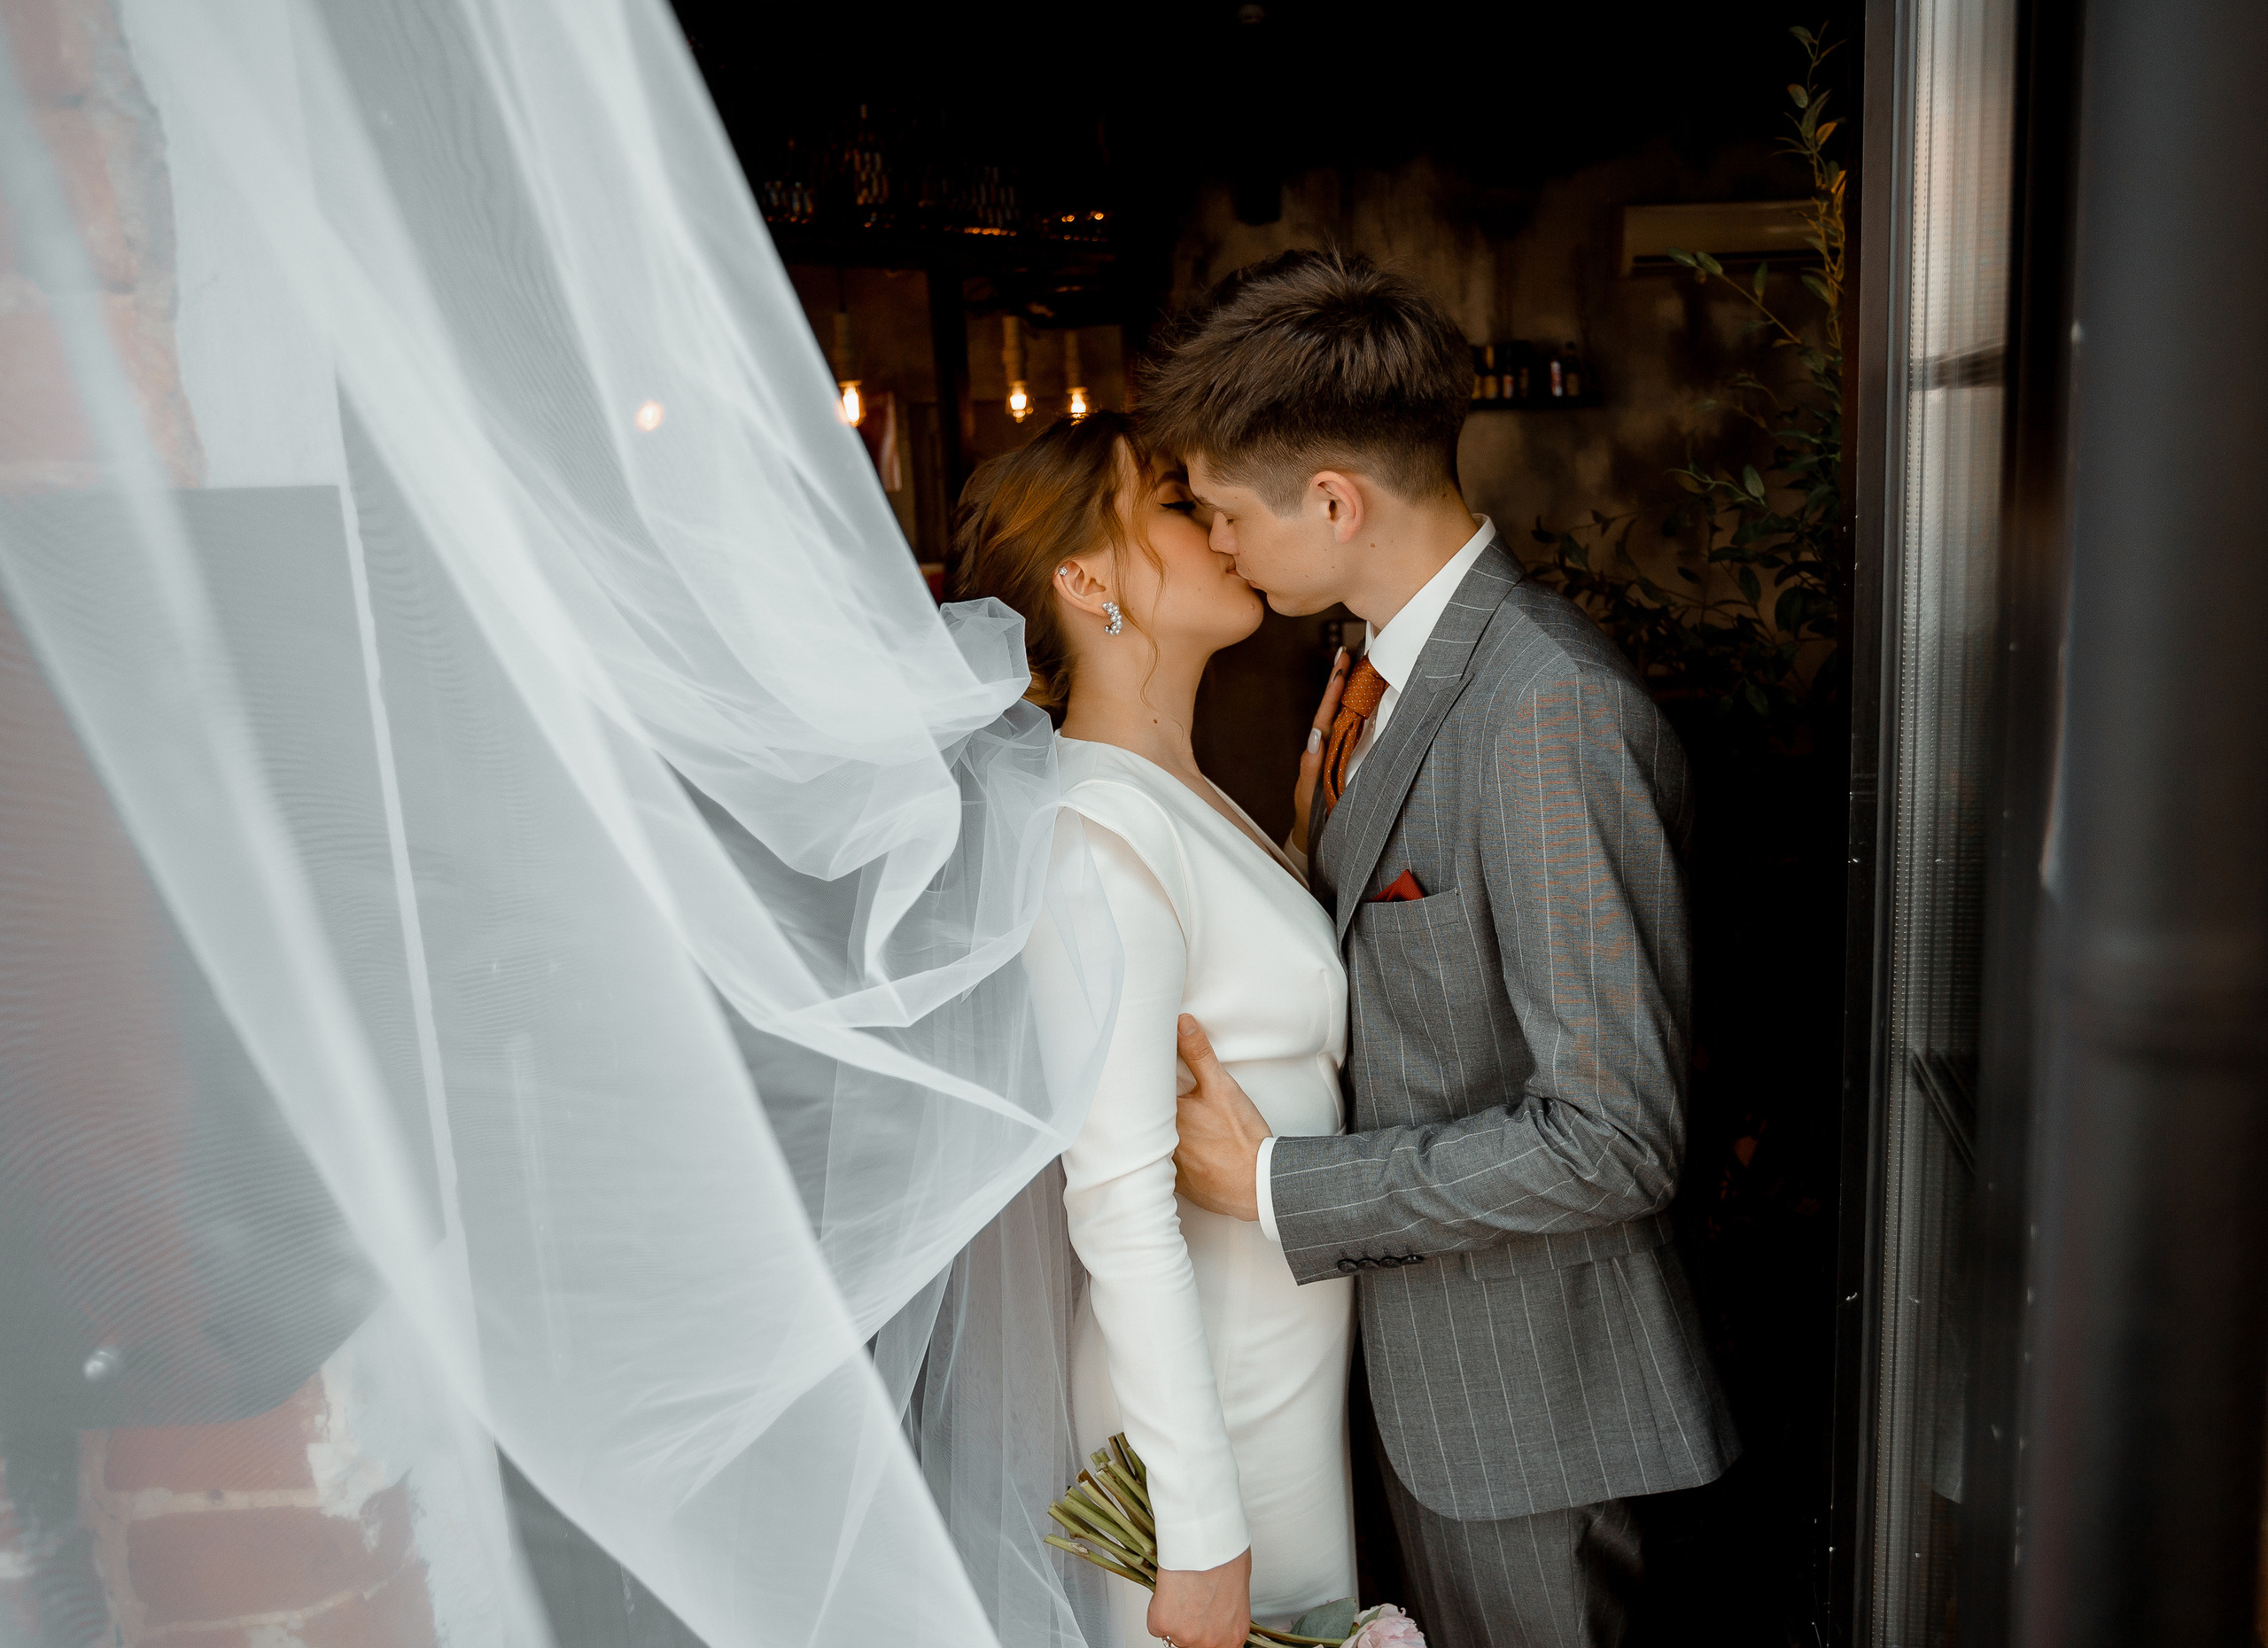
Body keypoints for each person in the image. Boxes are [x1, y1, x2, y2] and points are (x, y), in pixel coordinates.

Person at [1154, 250, 1740, 1648]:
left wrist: (1286, 1184)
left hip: (1538, 1428)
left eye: (1226, 513)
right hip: (1423, 1396)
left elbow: (1611, 1135)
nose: (1216, 544)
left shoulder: (1550, 715)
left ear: (1336, 500)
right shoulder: (1360, 666)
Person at [950, 412, 1359, 1648]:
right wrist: (1198, 1532)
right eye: (1176, 508)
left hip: (1281, 1377)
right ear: (1085, 578)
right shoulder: (1094, 836)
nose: (1221, 527)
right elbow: (1118, 1201)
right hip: (1210, 1414)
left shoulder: (1179, 794)